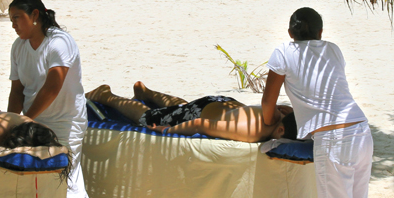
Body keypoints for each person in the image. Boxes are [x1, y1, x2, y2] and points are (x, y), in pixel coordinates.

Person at [260, 8, 373, 198]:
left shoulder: (283, 51)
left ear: (290, 32)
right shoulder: (333, 50)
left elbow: (268, 100)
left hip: (334, 138)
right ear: (321, 32)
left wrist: (269, 123)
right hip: (360, 130)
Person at [7, 0, 97, 198]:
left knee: (69, 178)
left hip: (66, 121)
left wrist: (26, 118)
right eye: (11, 20)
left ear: (35, 15)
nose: (13, 25)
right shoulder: (19, 47)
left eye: (17, 18)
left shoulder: (59, 42)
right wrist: (11, 121)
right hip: (34, 121)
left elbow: (53, 86)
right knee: (44, 179)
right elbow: (17, 90)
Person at [86, 82, 297, 142]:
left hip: (223, 103)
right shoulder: (252, 132)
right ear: (280, 130)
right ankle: (105, 95)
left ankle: (146, 93)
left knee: (184, 107)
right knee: (148, 119)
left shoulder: (283, 114)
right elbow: (200, 125)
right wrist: (166, 131)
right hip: (202, 113)